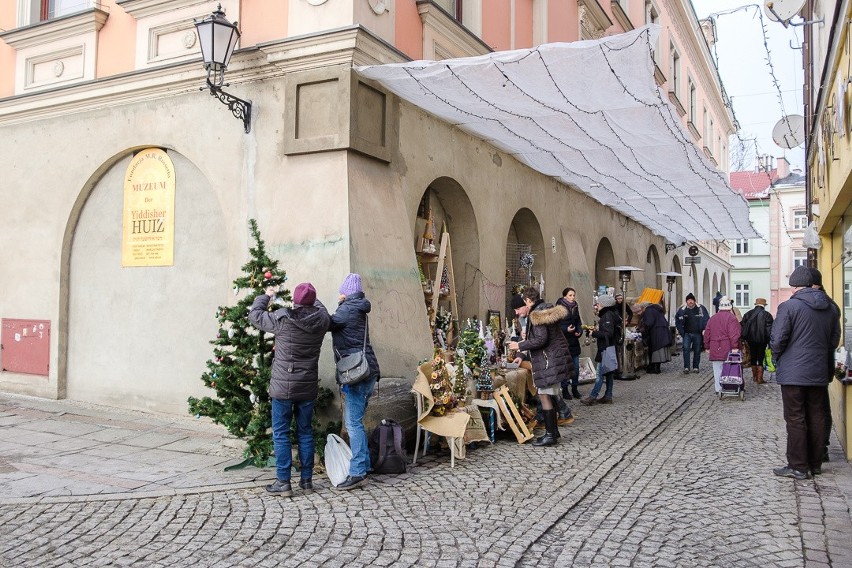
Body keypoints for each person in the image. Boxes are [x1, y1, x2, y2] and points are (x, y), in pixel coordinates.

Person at [249, 282, 330, 497]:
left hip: (283, 386)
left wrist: (267, 295)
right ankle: (306, 481)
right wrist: (310, 299)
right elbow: (321, 309)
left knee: (282, 433)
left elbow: (255, 315)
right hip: (307, 385)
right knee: (305, 432)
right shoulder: (322, 320)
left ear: (294, 301)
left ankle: (283, 482)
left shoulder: (283, 319)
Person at [771, 266, 840, 480]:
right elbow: (833, 341)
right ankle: (815, 463)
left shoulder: (788, 307)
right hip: (818, 371)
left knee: (795, 417)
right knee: (817, 415)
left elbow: (777, 339)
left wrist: (778, 356)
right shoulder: (831, 308)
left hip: (793, 372)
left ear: (795, 287)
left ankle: (799, 466)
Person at [329, 273, 380, 491]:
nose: (339, 294)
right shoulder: (358, 308)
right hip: (368, 370)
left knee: (353, 424)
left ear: (346, 293)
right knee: (357, 421)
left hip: (357, 373)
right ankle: (365, 465)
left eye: (341, 291)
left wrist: (318, 306)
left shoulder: (347, 309)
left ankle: (357, 471)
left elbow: (329, 323)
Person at [508, 286, 573, 447]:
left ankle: (550, 435)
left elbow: (540, 340)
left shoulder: (537, 315)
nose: (517, 312)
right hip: (550, 360)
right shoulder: (543, 312)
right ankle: (554, 432)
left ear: (528, 301)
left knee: (544, 395)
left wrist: (519, 346)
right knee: (549, 395)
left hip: (547, 361)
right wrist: (522, 355)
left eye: (519, 307)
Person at [809, 267, 841, 465]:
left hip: (808, 365)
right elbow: (834, 339)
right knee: (820, 408)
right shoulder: (832, 306)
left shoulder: (805, 305)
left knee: (812, 410)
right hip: (823, 364)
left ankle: (816, 451)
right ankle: (822, 449)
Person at [580, 294, 621, 405]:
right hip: (609, 347)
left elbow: (608, 333)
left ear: (604, 305)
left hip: (606, 348)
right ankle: (608, 396)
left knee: (599, 374)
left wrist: (594, 333)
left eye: (598, 303)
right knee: (609, 373)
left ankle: (593, 396)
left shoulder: (607, 315)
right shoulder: (610, 314)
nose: (597, 305)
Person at [703, 296, 741, 394]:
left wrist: (707, 346)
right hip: (727, 347)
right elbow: (734, 335)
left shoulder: (712, 318)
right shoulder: (732, 318)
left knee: (717, 369)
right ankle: (729, 386)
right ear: (729, 307)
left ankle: (718, 389)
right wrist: (735, 347)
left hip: (715, 346)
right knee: (729, 368)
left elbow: (707, 333)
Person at [557, 287, 583, 399]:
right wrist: (565, 329)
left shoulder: (575, 306)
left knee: (576, 367)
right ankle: (565, 389)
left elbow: (578, 321)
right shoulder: (559, 308)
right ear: (564, 296)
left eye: (573, 295)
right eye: (570, 295)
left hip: (574, 341)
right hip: (564, 341)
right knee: (565, 367)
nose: (572, 297)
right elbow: (556, 325)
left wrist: (579, 331)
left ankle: (575, 388)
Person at [740, 298, 774, 385]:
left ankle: (755, 377)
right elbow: (769, 331)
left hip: (750, 340)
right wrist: (769, 341)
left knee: (753, 358)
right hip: (762, 341)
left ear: (756, 304)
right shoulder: (767, 315)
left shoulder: (748, 314)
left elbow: (742, 326)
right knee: (761, 358)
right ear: (764, 305)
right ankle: (760, 379)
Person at [675, 293, 709, 374]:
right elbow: (678, 321)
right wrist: (681, 331)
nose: (690, 302)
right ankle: (686, 367)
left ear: (694, 301)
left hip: (697, 333)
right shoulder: (682, 310)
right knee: (686, 349)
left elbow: (706, 319)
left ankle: (695, 367)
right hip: (686, 333)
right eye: (688, 300)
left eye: (691, 300)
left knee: (697, 350)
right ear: (686, 301)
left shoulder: (700, 308)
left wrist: (704, 329)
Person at [637, 301, 672, 374]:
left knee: (656, 349)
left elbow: (648, 323)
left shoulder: (649, 310)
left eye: (641, 309)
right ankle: (657, 368)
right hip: (662, 331)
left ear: (643, 307)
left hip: (657, 332)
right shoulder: (656, 310)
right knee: (658, 349)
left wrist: (641, 329)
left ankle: (655, 369)